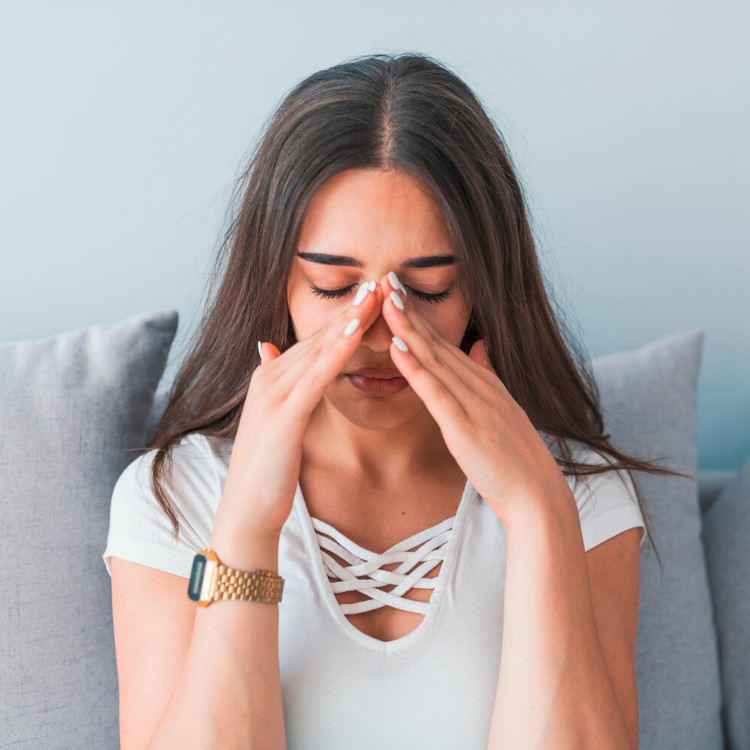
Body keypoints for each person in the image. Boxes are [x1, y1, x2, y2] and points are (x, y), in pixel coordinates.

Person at [103, 51, 681, 750]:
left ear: (481, 291)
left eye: (428, 291)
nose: (375, 333)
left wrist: (538, 516)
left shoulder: (579, 497)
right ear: (277, 284)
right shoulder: (173, 497)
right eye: (334, 288)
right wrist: (249, 528)